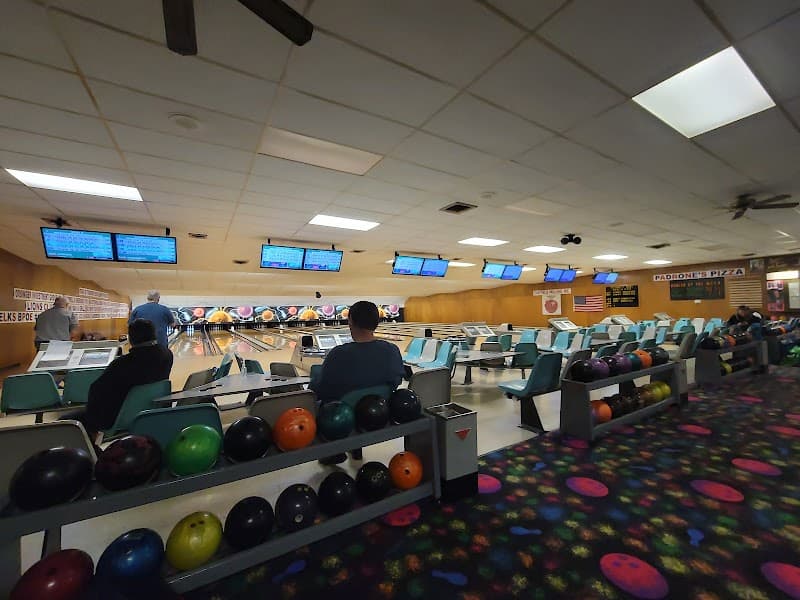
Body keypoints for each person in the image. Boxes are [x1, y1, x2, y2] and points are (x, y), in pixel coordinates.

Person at [310, 300, 405, 465]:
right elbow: (396, 381)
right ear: (377, 322)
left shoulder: (338, 355)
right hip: (378, 413)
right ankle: (355, 449)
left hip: (342, 420)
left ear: (350, 322)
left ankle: (333, 451)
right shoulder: (392, 350)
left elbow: (321, 391)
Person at [70, 319, 173, 440]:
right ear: (154, 334)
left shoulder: (122, 364)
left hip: (117, 416)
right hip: (152, 411)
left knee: (65, 422)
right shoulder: (167, 355)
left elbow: (96, 391)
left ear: (131, 338)